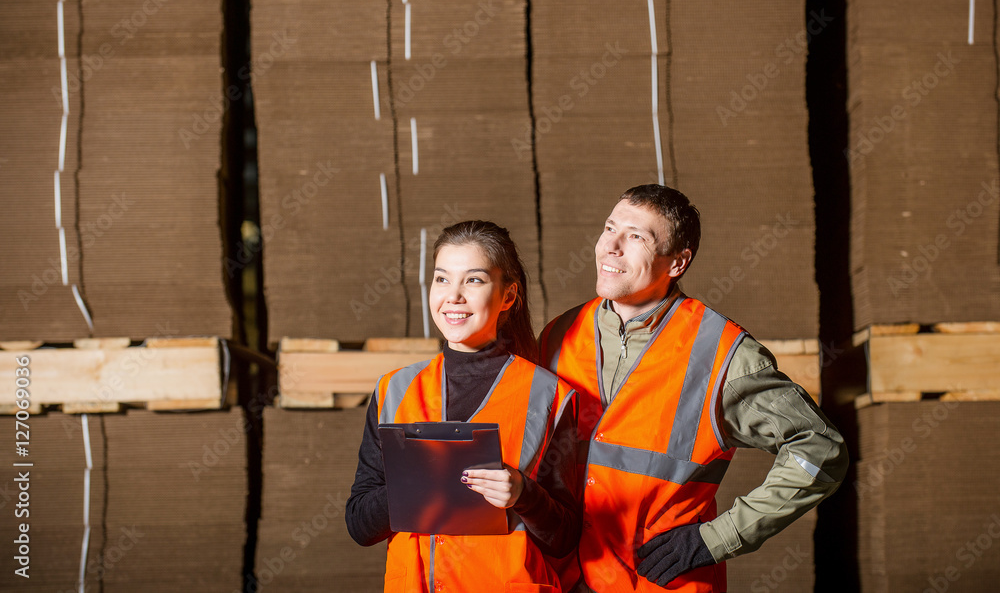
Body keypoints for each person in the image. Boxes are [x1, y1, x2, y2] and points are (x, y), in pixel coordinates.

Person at [538, 185, 848, 592]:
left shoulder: (722, 353)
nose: (610, 246)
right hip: (563, 580)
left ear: (678, 262)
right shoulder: (558, 335)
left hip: (656, 583)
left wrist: (717, 539)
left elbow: (820, 448)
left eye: (636, 237)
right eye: (609, 228)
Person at [347, 220, 581, 592]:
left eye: (473, 280)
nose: (453, 296)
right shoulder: (395, 389)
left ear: (508, 296)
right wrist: (413, 485)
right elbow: (359, 524)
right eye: (442, 279)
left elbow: (565, 537)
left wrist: (523, 493)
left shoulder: (549, 396)